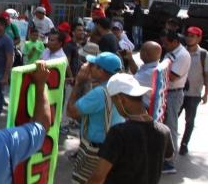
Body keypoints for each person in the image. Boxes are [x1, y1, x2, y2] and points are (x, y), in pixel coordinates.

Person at [87, 73, 173, 184]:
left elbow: (97, 177)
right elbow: (169, 155)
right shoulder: (164, 131)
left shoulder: (118, 133)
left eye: (114, 102)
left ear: (121, 100)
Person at [66, 52, 125, 183]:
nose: (88, 67)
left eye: (92, 65)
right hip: (115, 147)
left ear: (102, 70)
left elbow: (71, 112)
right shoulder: (121, 86)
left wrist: (79, 82)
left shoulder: (99, 93)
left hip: (97, 150)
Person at [159, 30, 191, 174]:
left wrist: (156, 69)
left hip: (174, 94)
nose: (164, 46)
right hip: (166, 92)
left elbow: (172, 77)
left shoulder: (183, 55)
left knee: (171, 127)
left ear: (175, 42)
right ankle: (163, 157)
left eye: (166, 43)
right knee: (163, 126)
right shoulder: (171, 51)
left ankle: (170, 163)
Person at [178, 26, 207, 156]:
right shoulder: (180, 52)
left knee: (189, 120)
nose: (189, 38)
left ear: (199, 38)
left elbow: (206, 75)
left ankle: (184, 144)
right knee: (171, 118)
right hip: (178, 92)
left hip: (194, 94)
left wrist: (206, 94)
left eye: (193, 36)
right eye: (188, 35)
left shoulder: (203, 55)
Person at [130, 41, 163, 107]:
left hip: (146, 107)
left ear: (145, 54)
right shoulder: (155, 66)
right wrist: (130, 59)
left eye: (141, 50)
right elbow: (137, 72)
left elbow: (129, 83)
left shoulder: (150, 73)